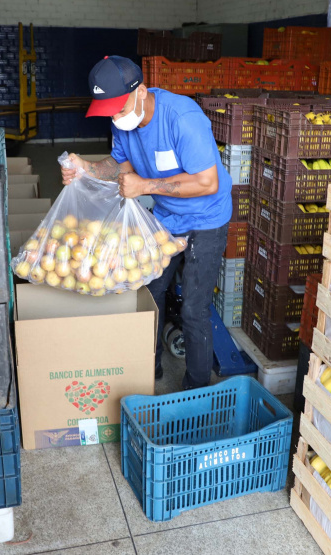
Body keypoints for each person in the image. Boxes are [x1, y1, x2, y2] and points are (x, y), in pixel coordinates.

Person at [60, 55, 232, 390]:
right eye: (109, 111)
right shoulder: (121, 121)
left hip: (206, 218)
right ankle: (145, 370)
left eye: (119, 109)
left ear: (140, 92)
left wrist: (145, 186)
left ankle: (194, 389)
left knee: (195, 310)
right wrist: (87, 168)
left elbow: (208, 182)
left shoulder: (181, 117)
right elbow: (120, 167)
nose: (115, 117)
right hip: (167, 217)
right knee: (150, 292)